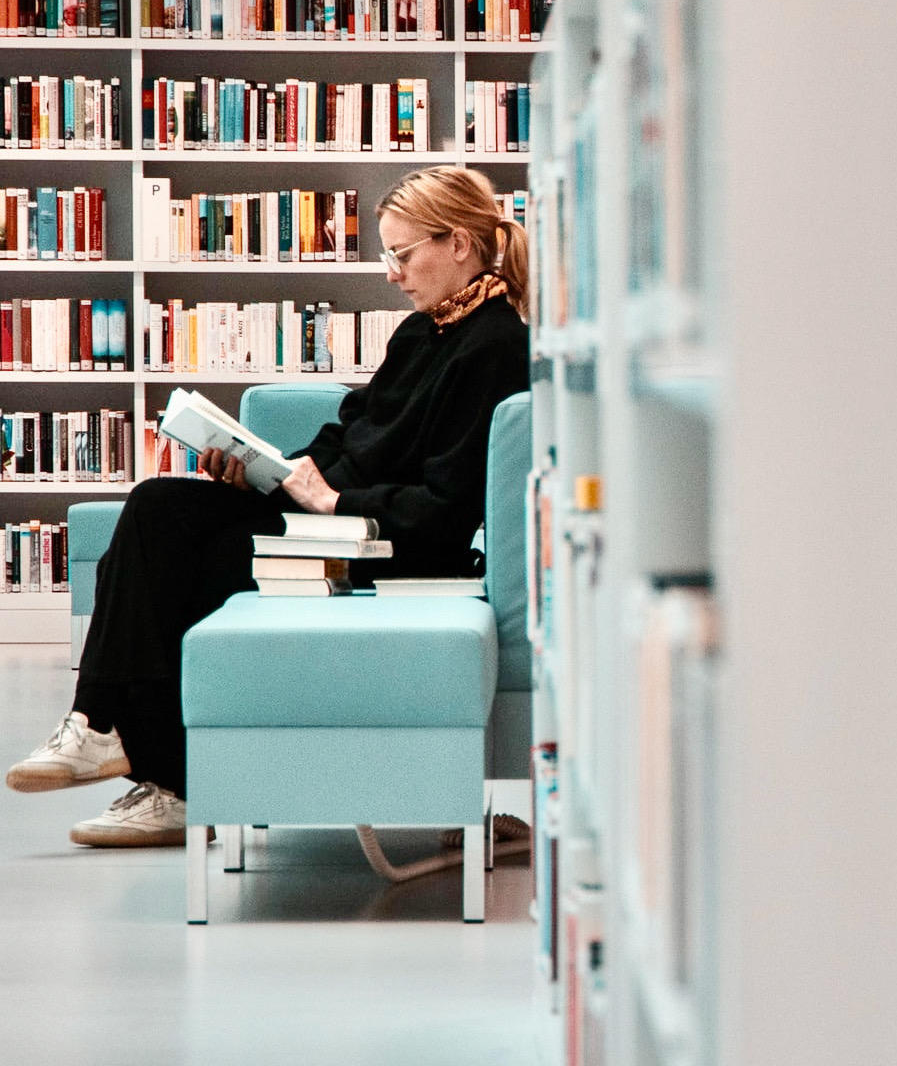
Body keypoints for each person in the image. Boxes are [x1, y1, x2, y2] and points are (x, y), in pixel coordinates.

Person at [4, 167, 532, 848]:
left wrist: (337, 499)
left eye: (402, 254)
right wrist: (267, 472)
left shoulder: (494, 348)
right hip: (332, 521)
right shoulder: (420, 333)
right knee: (158, 509)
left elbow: (446, 506)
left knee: (180, 544)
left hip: (386, 542)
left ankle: (137, 755)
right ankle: (126, 749)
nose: (393, 274)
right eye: (388, 256)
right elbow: (351, 433)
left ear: (459, 243)